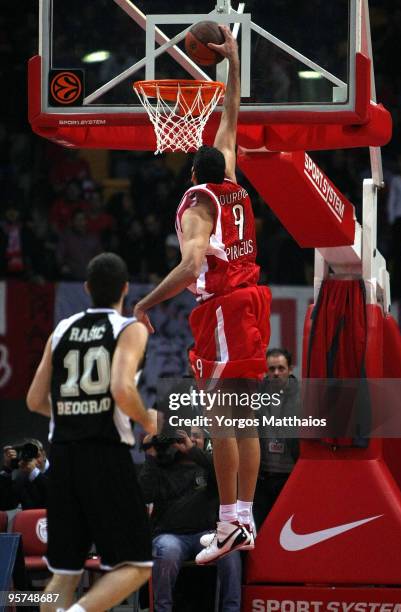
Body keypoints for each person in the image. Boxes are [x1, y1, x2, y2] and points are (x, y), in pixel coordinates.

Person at [133, 26, 271, 564]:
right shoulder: (233, 180)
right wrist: (234, 60)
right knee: (244, 422)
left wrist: (146, 303)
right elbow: (230, 118)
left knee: (221, 422)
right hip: (252, 304)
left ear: (194, 173)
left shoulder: (197, 198)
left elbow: (191, 262)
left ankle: (227, 521)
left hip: (223, 310)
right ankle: (243, 519)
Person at [26, 252, 157, 612]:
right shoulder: (129, 328)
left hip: (63, 457)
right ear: (126, 289)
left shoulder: (62, 329)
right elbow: (120, 388)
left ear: (87, 289)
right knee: (137, 565)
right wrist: (148, 421)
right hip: (104, 453)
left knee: (63, 575)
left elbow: (35, 399)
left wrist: (74, 412)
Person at [139, 429, 241, 612]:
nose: (190, 439)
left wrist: (192, 451)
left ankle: (231, 609)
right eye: (185, 435)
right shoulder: (161, 467)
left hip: (205, 534)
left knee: (229, 547)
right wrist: (150, 456)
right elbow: (144, 494)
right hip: (170, 535)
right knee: (167, 551)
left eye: (196, 436)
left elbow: (227, 471)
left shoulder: (209, 467)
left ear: (204, 441)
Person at [254, 348, 300, 530]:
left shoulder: (303, 396)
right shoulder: (254, 396)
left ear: (290, 369)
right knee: (262, 531)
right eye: (271, 369)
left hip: (291, 477)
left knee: (289, 529)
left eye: (281, 368)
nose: (276, 373)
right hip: (262, 477)